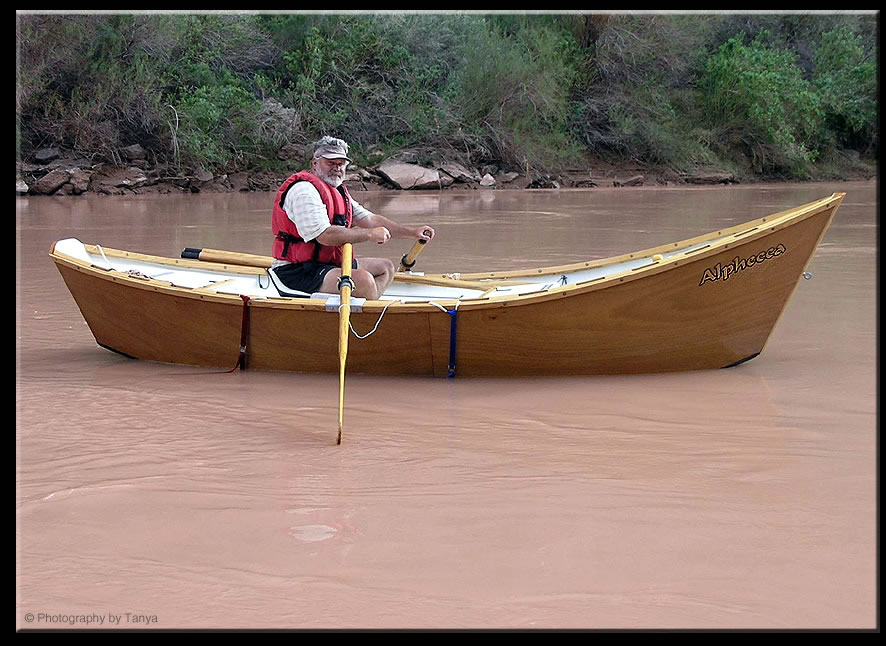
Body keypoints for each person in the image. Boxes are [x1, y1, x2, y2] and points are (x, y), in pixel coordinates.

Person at [270, 136, 435, 299]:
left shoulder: (338, 192)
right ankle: (370, 306)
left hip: (326, 264)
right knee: (364, 281)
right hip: (296, 270)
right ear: (315, 163)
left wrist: (412, 232)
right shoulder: (304, 191)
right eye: (331, 163)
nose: (337, 168)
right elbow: (325, 235)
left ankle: (367, 304)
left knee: (386, 268)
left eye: (341, 164)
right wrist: (369, 234)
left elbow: (371, 220)